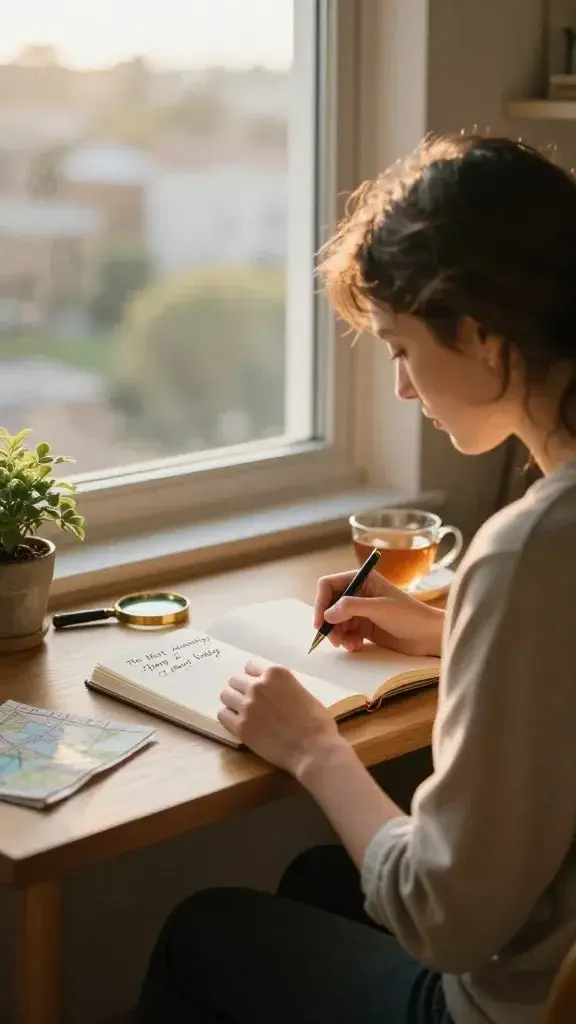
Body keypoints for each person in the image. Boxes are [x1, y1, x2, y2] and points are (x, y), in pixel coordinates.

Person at [134, 134, 576, 1024]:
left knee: (203, 929)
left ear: (482, 336)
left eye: (401, 349)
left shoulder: (532, 547)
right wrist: (450, 634)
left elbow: (443, 921)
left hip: (511, 1005)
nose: (405, 389)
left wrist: (312, 749)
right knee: (313, 879)